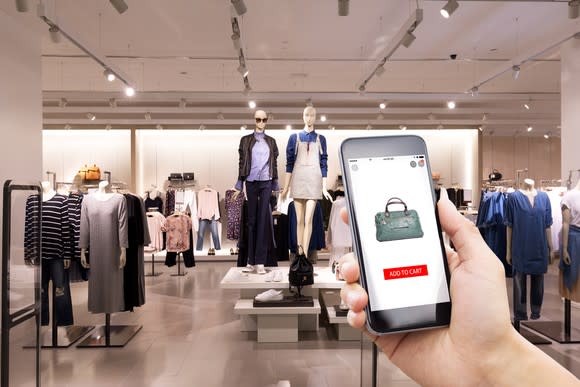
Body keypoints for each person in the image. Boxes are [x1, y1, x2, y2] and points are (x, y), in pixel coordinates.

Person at [339, 188, 579, 386]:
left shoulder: (542, 199)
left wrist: (493, 356)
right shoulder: (515, 198)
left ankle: (533, 312)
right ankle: (523, 312)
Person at [281, 106, 332, 260]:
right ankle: (300, 253)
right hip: (298, 180)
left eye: (312, 115)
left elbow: (324, 163)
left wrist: (324, 187)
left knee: (309, 219)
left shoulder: (321, 139)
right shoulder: (294, 137)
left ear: (315, 117)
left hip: (314, 180)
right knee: (299, 220)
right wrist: (285, 188)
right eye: (306, 115)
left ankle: (304, 256)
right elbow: (289, 164)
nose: (309, 118)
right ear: (302, 116)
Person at [233, 109, 279, 274]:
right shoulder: (245, 140)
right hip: (251, 182)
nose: (261, 122)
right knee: (251, 222)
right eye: (258, 119)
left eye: (264, 119)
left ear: (267, 120)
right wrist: (239, 183)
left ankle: (260, 261)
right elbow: (241, 162)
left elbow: (274, 164)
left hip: (266, 182)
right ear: (254, 120)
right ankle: (250, 260)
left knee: (263, 221)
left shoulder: (271, 142)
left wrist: (276, 183)